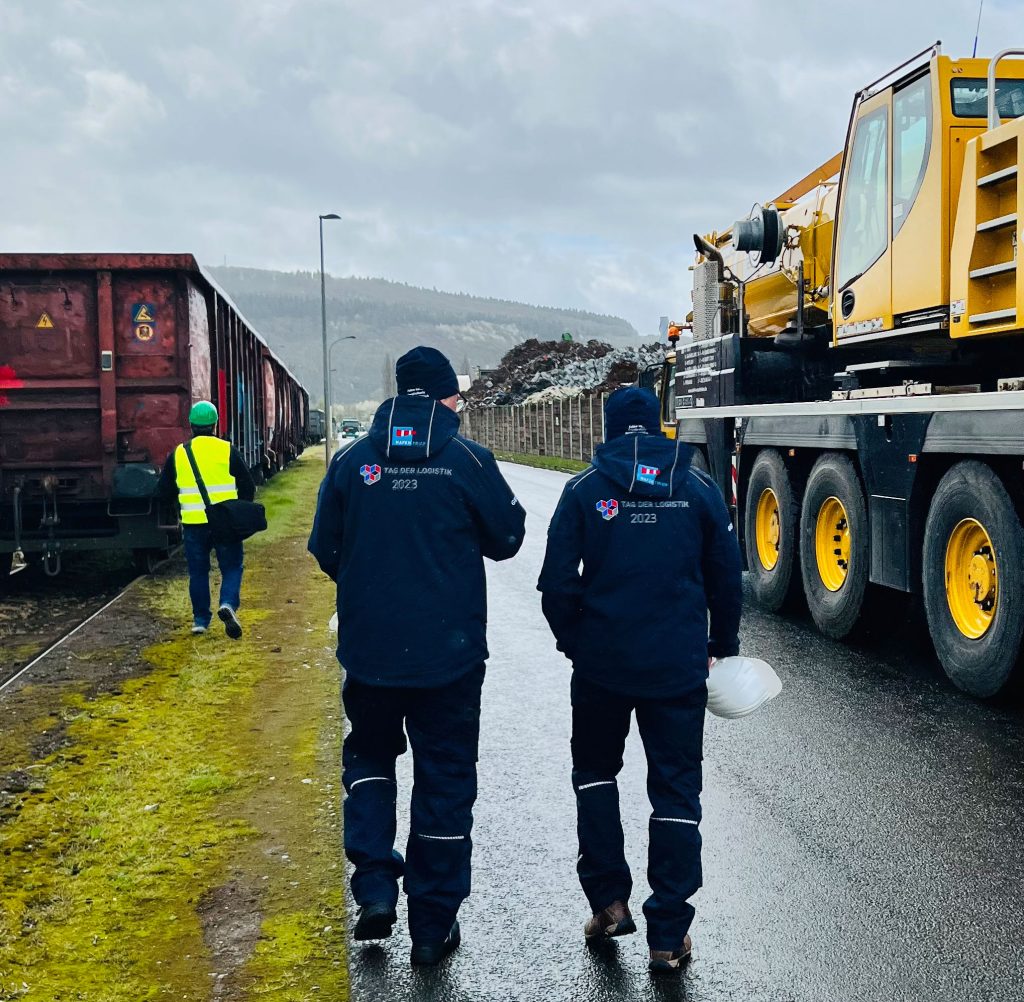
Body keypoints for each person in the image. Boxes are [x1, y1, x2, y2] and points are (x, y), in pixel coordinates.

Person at [308, 346, 526, 966]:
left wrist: (367, 586)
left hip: (371, 652)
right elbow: (508, 539)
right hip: (449, 661)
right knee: (446, 782)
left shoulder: (352, 462)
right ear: (446, 397)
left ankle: (375, 888)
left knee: (370, 759)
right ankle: (432, 926)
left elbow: (325, 546)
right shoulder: (466, 459)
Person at [537, 386, 742, 975]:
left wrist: (578, 645)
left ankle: (607, 903)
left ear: (607, 428)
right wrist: (719, 649)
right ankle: (668, 933)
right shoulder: (698, 487)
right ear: (659, 426)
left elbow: (555, 586)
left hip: (602, 669)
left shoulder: (584, 491)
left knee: (596, 776)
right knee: (675, 790)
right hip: (676, 670)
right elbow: (726, 579)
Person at [158, 400, 255, 639]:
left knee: (198, 572)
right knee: (232, 567)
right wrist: (239, 510)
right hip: (225, 523)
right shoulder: (226, 449)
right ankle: (228, 604)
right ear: (215, 424)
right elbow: (248, 485)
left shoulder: (179, 453)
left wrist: (177, 511)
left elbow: (163, 492)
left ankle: (200, 620)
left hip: (193, 524)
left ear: (191, 425)